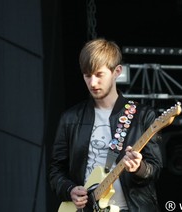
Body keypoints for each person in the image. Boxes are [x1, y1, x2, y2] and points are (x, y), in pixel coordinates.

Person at [49, 38, 163, 212]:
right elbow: (56, 170)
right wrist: (69, 189)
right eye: (87, 76)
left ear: (117, 71)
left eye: (99, 74)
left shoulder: (142, 116)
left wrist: (139, 168)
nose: (92, 83)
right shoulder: (70, 118)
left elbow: (155, 169)